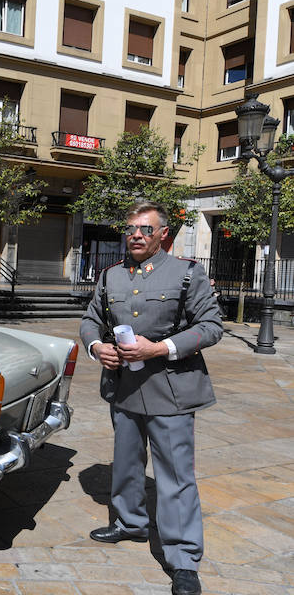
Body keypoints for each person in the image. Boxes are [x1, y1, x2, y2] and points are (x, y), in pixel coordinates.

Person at [79, 201, 223, 595]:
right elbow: (93, 319)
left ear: (163, 234)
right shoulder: (111, 276)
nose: (136, 235)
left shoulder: (187, 274)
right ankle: (130, 523)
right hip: (123, 388)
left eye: (145, 229)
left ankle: (183, 558)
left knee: (175, 476)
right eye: (130, 229)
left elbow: (211, 327)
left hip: (172, 390)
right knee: (125, 462)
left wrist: (160, 349)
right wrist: (96, 347)